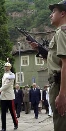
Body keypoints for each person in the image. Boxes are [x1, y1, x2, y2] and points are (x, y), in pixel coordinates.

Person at [27, 1, 66, 130]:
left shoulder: (62, 33)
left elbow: (65, 64)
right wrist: (40, 51)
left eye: (53, 11)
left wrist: (62, 94)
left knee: (61, 124)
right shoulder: (60, 33)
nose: (50, 15)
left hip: (60, 84)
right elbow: (56, 62)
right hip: (59, 83)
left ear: (63, 13)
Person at [0, 61, 18, 131]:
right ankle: (3, 128)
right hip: (3, 96)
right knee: (3, 113)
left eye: (8, 66)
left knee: (12, 112)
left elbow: (7, 85)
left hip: (9, 96)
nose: (6, 68)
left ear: (10, 67)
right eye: (5, 66)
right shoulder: (4, 74)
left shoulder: (12, 74)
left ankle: (15, 123)